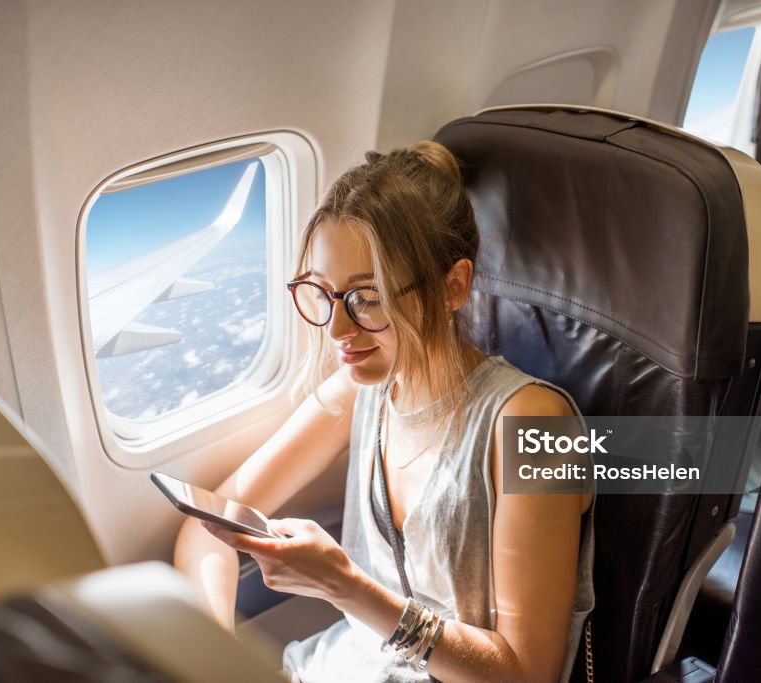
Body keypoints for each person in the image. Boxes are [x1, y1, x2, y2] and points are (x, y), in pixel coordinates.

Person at [174, 141, 594, 682]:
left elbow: (525, 672)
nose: (337, 331)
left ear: (453, 287)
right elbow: (207, 522)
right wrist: (220, 658)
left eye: (367, 300)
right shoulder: (360, 390)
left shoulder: (531, 423)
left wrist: (345, 585)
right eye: (324, 294)